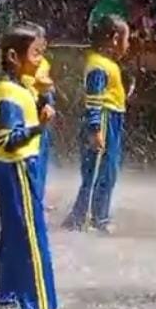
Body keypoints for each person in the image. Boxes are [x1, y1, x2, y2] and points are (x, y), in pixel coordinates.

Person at [0, 23, 58, 309]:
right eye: (35, 54)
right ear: (13, 57)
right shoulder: (8, 92)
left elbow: (42, 108)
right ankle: (40, 308)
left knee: (14, 232)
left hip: (14, 166)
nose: (40, 60)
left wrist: (46, 94)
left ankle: (7, 295)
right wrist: (38, 128)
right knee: (31, 235)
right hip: (17, 166)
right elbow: (7, 139)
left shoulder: (23, 86)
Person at [64, 15, 129, 233]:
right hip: (103, 120)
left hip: (111, 119)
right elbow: (93, 100)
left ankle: (92, 216)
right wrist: (95, 129)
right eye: (126, 40)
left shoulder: (106, 64)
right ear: (115, 39)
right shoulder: (98, 66)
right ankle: (87, 217)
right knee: (97, 172)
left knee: (108, 171)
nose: (128, 45)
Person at [21, 23, 57, 195]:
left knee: (42, 156)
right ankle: (29, 193)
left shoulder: (43, 63)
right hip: (30, 113)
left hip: (41, 112)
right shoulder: (22, 67)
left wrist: (48, 93)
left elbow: (46, 87)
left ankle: (38, 194)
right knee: (30, 156)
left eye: (42, 42)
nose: (42, 46)